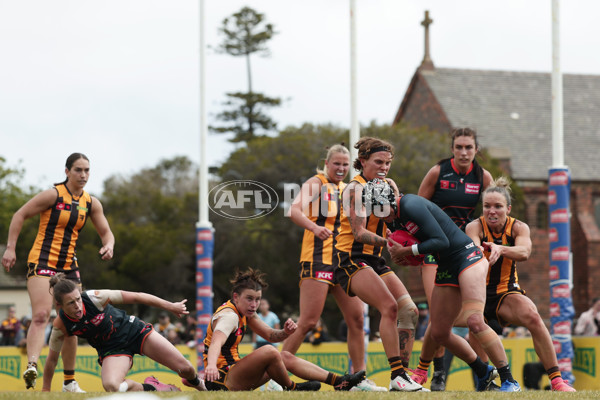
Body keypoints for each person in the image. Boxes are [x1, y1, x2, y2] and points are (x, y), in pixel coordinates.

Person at [1, 152, 115, 392]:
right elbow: (19, 214)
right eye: (78, 170)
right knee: (41, 315)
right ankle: (32, 366)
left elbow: (106, 232)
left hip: (69, 266)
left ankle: (69, 382)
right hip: (42, 260)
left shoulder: (91, 202)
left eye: (86, 170)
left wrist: (109, 245)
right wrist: (10, 248)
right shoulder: (53, 195)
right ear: (67, 172)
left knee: (73, 321)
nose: (83, 175)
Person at [385, 190, 520, 391]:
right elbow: (421, 245)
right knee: (439, 331)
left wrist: (408, 251)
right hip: (447, 264)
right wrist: (404, 254)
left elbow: (441, 241)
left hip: (467, 257)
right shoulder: (393, 218)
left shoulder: (409, 205)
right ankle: (483, 371)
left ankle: (509, 380)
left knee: (474, 320)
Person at [286, 144, 384, 391]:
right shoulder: (316, 182)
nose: (341, 168)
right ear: (327, 164)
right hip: (317, 259)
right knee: (308, 322)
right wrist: (314, 227)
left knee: (357, 320)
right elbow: (294, 210)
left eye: (344, 164)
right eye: (336, 163)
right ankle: (275, 373)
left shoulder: (348, 189)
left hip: (342, 262)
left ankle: (358, 379)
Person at [465, 177, 575, 392]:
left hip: (506, 292)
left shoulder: (519, 227)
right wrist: (482, 250)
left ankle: (557, 381)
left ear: (508, 208)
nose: (492, 211)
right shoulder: (474, 226)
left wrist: (500, 249)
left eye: (498, 206)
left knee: (533, 316)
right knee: (445, 328)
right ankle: (481, 383)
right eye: (487, 206)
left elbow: (524, 252)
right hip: (476, 293)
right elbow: (475, 249)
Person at [334, 137, 424, 392]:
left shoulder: (388, 185)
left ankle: (401, 378)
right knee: (389, 307)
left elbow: (396, 221)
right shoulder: (354, 188)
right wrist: (391, 243)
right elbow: (359, 232)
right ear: (362, 162)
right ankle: (397, 374)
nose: (384, 167)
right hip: (351, 259)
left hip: (375, 259)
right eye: (378, 162)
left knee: (410, 311)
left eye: (388, 163)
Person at [416, 127, 493, 390]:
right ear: (452, 149)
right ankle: (435, 374)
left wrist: (494, 244)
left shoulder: (483, 177)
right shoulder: (438, 172)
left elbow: (491, 215)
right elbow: (417, 208)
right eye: (459, 147)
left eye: (468, 147)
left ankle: (484, 381)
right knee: (438, 318)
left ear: (476, 150)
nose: (463, 152)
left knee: (475, 318)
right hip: (435, 252)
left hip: (466, 255)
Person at [202, 267, 366, 391]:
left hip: (234, 375)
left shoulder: (245, 312)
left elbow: (271, 336)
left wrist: (285, 333)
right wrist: (210, 367)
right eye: (249, 299)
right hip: (221, 381)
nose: (254, 305)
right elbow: (216, 342)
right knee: (270, 351)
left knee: (285, 356)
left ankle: (339, 382)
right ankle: (292, 387)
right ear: (236, 297)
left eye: (258, 299)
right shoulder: (229, 316)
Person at [42, 273, 206, 392]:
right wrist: (45, 391)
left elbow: (136, 297)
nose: (78, 306)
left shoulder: (94, 298)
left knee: (186, 369)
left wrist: (170, 306)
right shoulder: (61, 324)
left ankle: (201, 387)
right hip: (113, 350)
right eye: (71, 303)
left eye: (78, 299)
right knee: (112, 386)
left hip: (134, 331)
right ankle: (154, 388)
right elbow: (51, 360)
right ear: (59, 305)